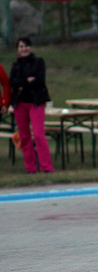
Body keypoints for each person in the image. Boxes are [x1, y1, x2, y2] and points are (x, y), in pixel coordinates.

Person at [9, 37, 53, 174]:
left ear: (30, 47)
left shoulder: (38, 62)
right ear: (18, 49)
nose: (24, 49)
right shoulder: (16, 65)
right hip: (20, 103)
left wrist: (23, 85)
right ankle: (30, 168)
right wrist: (26, 81)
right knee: (24, 136)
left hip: (35, 102)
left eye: (26, 46)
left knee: (39, 135)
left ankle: (46, 167)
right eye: (21, 46)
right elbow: (12, 82)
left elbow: (40, 81)